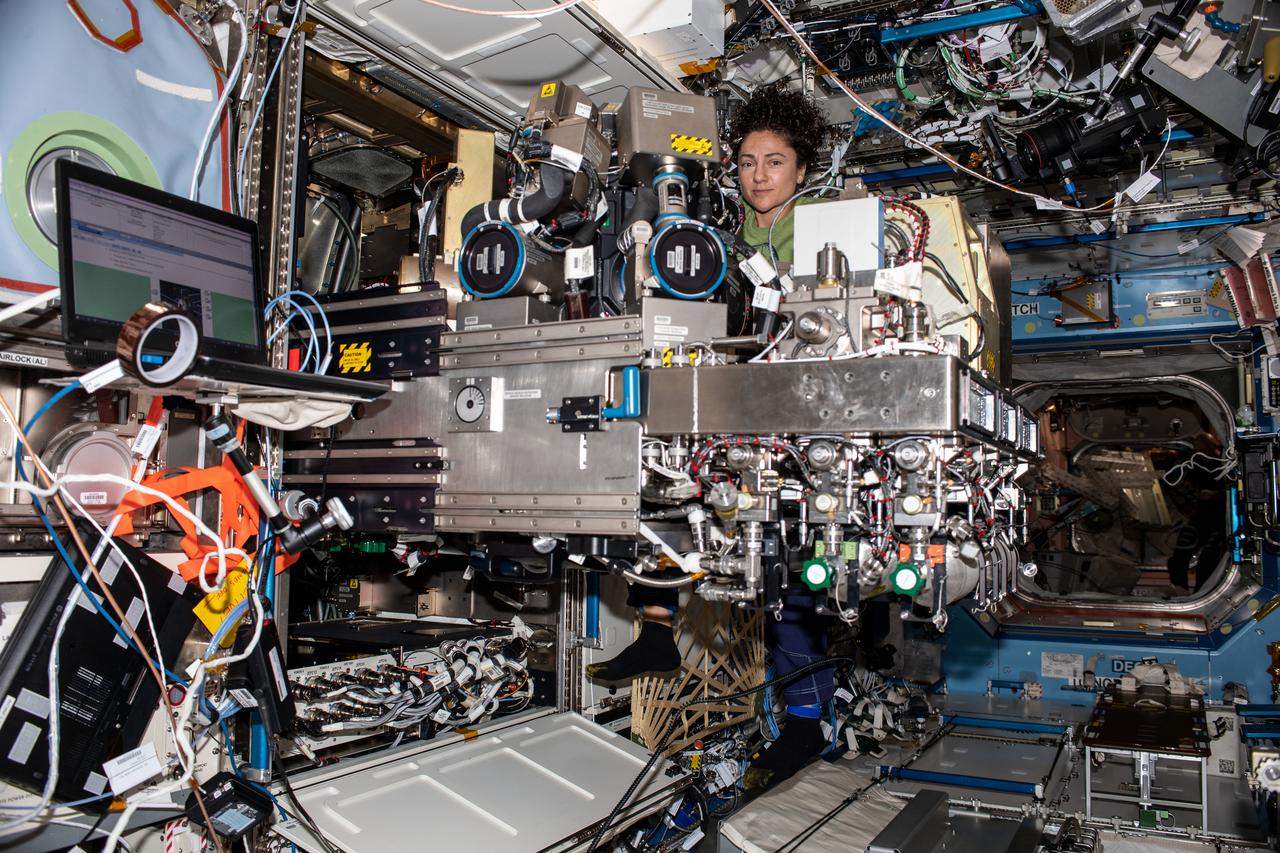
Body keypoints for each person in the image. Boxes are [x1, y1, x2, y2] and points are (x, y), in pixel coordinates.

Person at [587, 82, 837, 791]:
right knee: (659, 494)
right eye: (749, 162)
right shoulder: (721, 228)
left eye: (775, 162)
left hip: (793, 413)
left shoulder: (823, 232)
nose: (759, 176)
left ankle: (807, 721)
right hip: (721, 397)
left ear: (802, 170)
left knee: (788, 568)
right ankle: (657, 630)